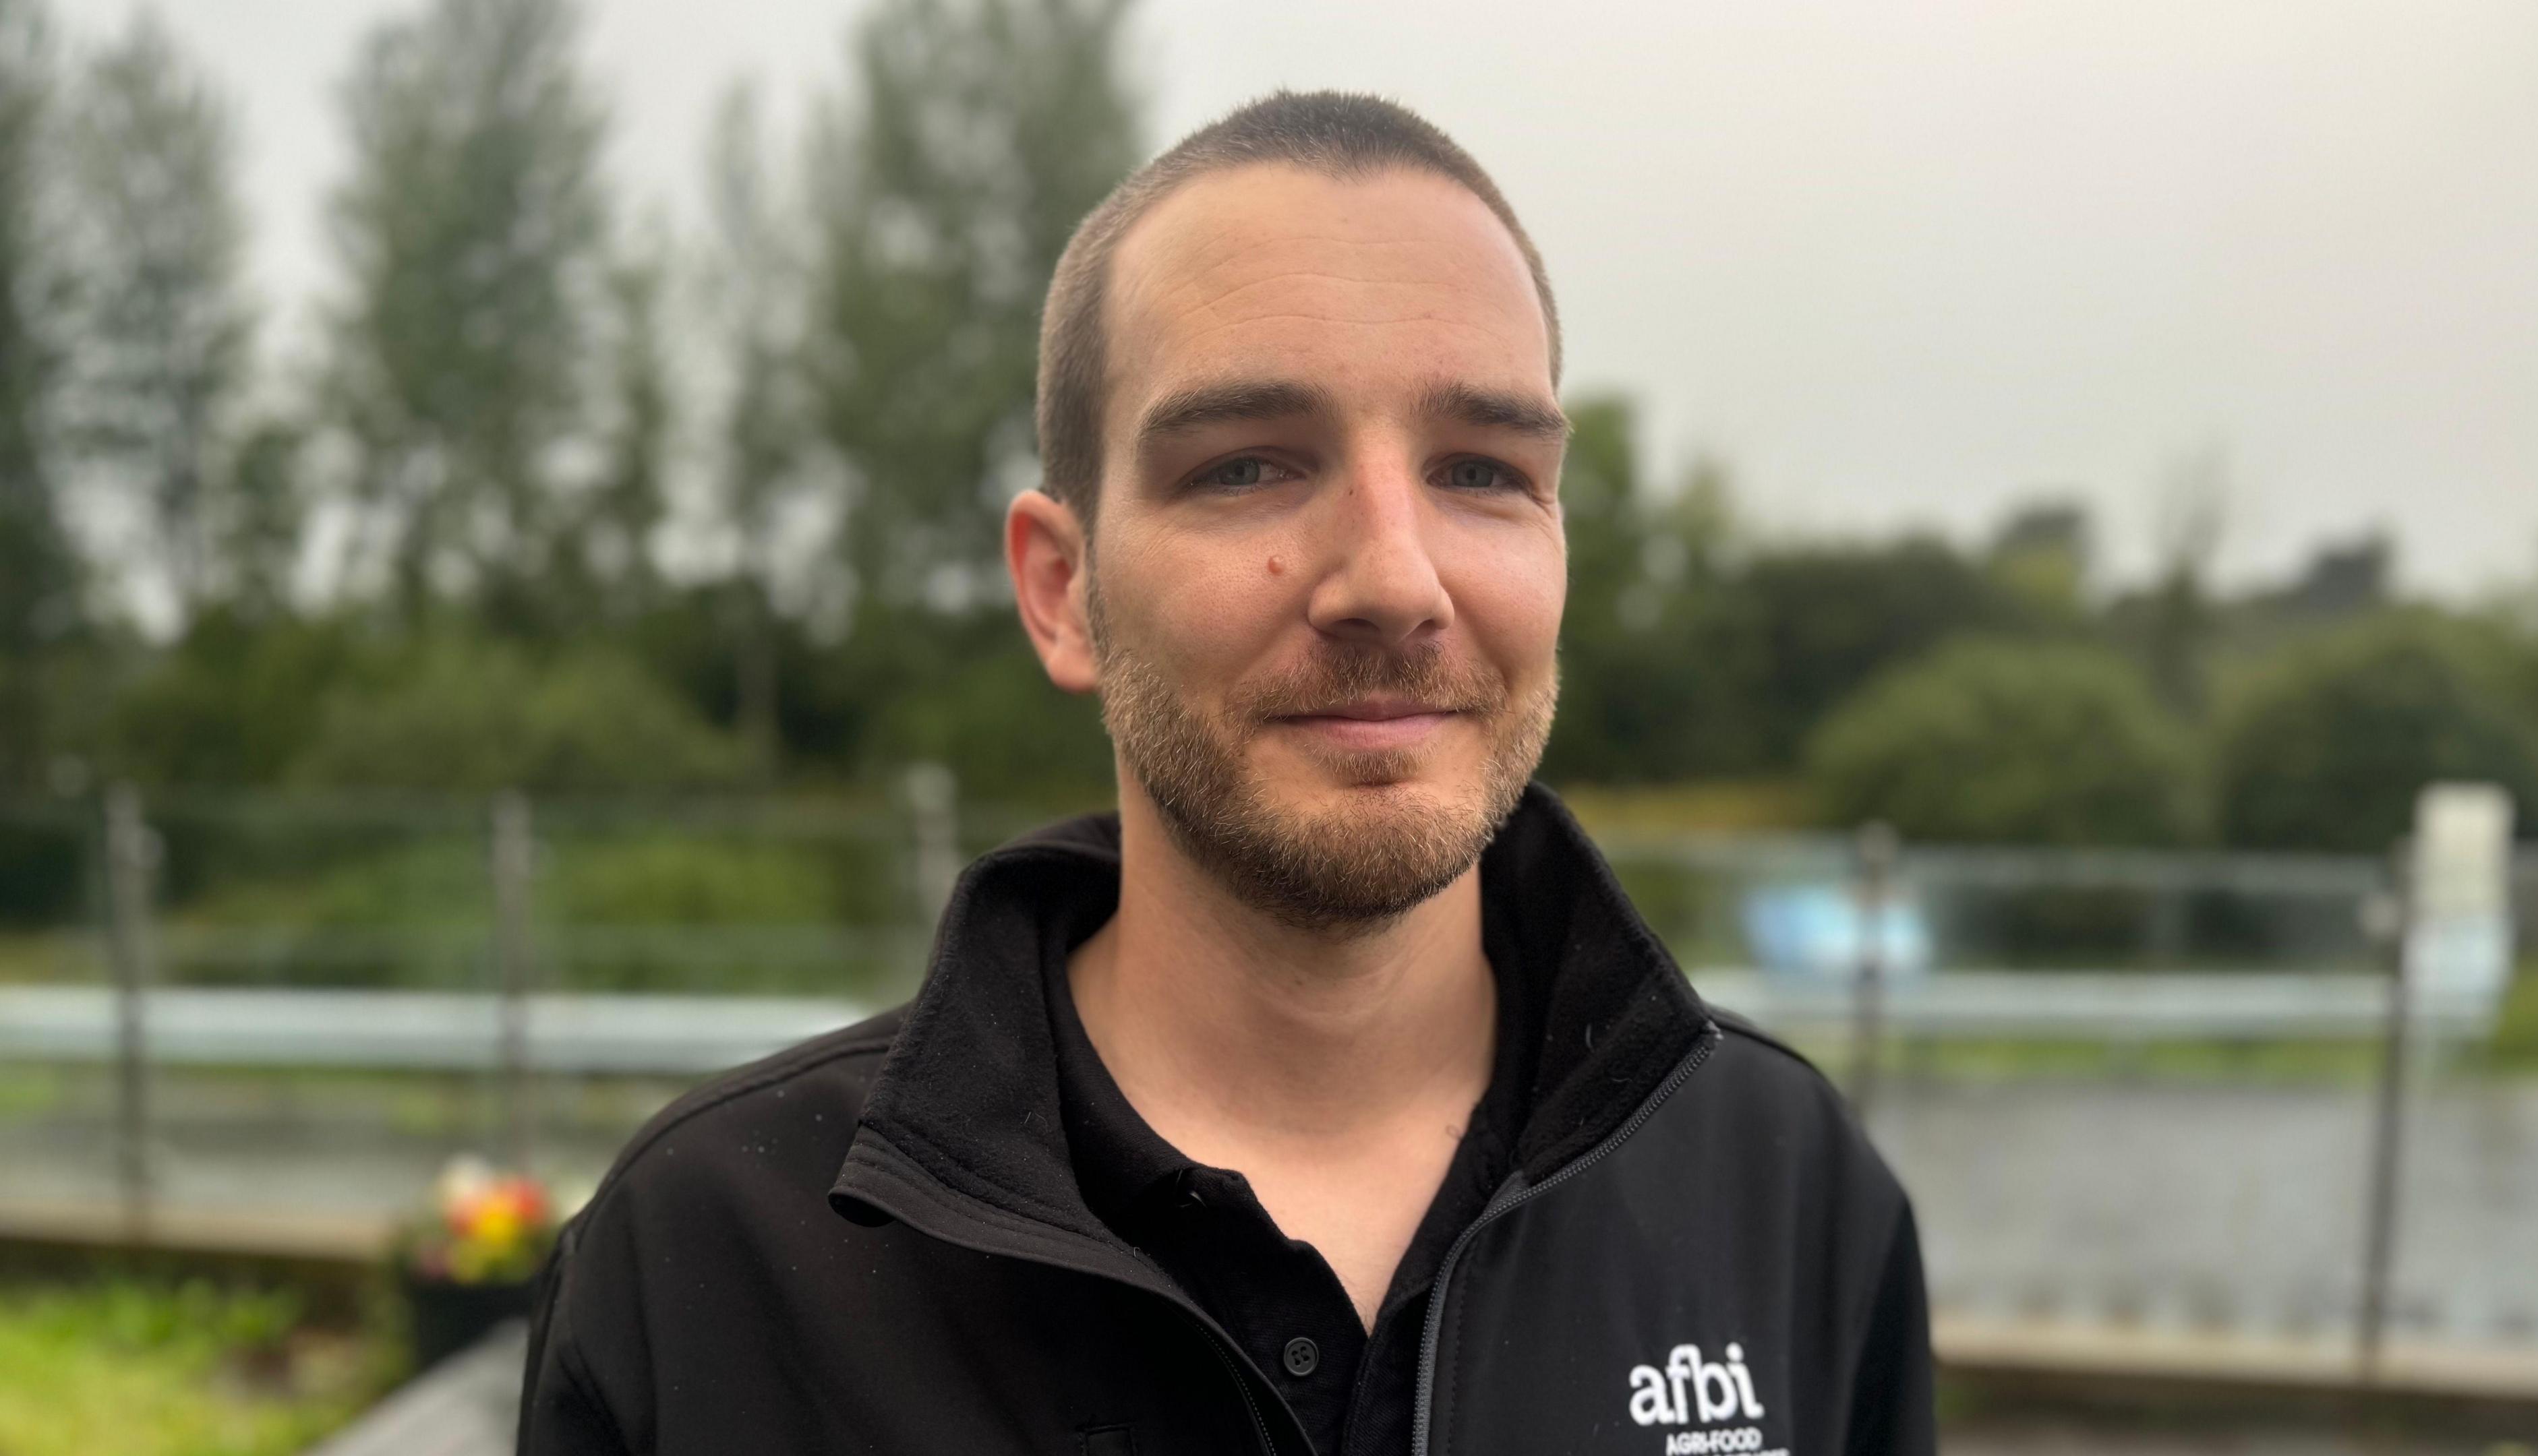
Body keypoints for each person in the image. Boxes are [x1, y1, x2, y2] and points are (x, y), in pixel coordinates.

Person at [519, 90, 1931, 1456]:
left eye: (1485, 470)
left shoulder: (1790, 1196)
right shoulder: (715, 1266)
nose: (1392, 579)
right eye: (1249, 466)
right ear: (1064, 591)